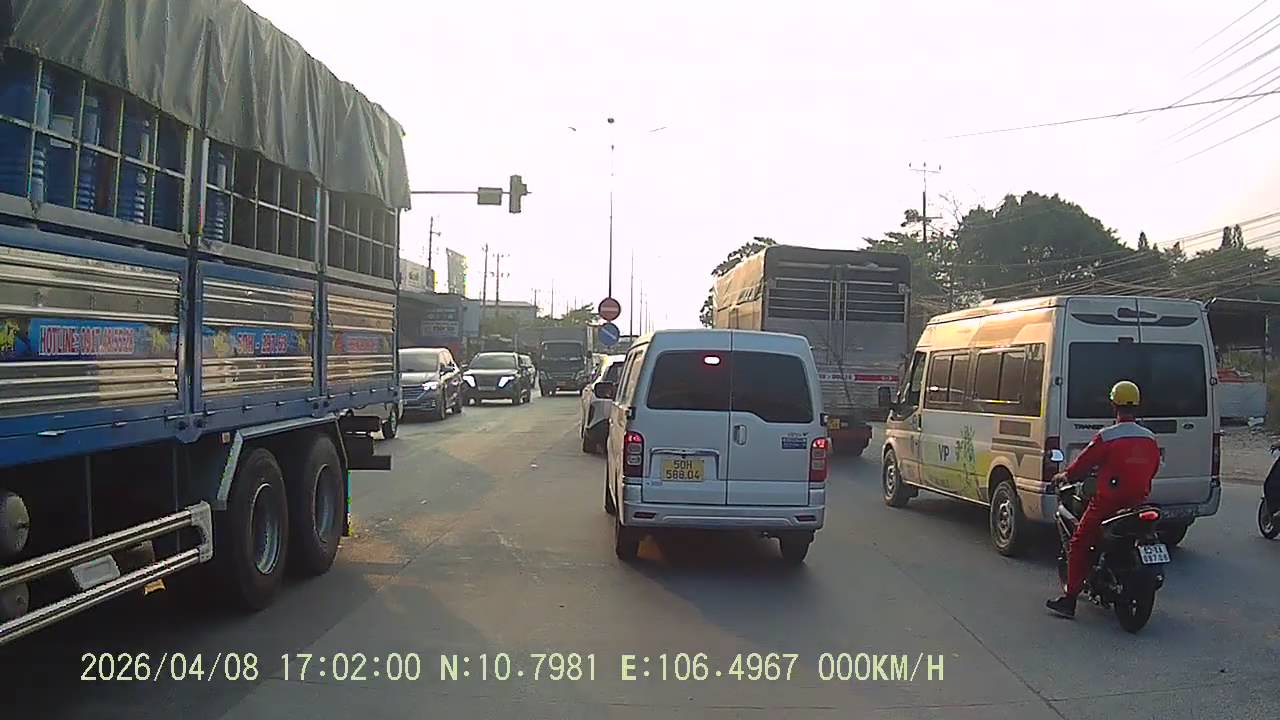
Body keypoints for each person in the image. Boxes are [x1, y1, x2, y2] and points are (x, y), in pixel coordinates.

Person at [1046, 380, 1161, 619]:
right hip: (1138, 502)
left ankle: (1069, 600)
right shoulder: (1149, 437)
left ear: (1114, 405)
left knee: (1079, 543)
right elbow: (1153, 468)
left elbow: (1083, 463)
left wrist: (1065, 475)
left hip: (1108, 502)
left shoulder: (1107, 436)